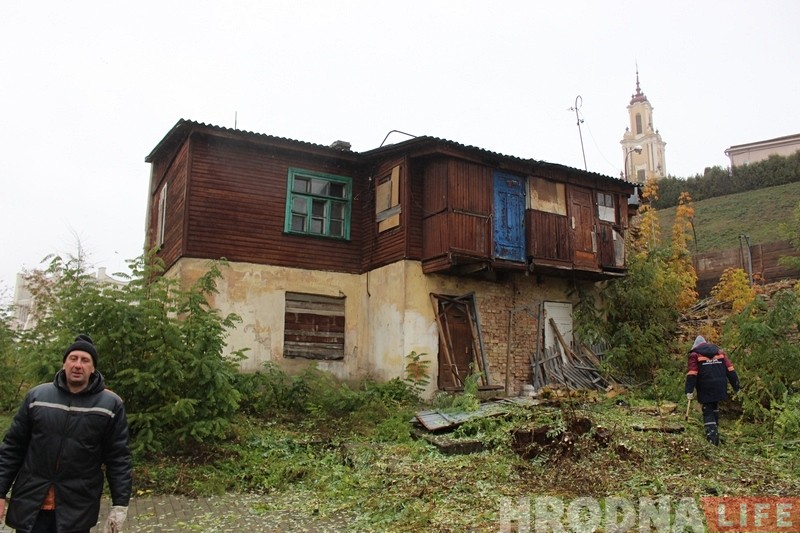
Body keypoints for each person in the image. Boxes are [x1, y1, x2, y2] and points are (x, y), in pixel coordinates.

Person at [0, 334, 132, 533]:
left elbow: (118, 458)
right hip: (32, 504)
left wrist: (119, 505)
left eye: (85, 360)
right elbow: (12, 449)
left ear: (93, 368)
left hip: (76, 509)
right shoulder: (37, 397)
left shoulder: (110, 405)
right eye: (73, 358)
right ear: (64, 363)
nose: (78, 365)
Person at [685, 335, 741, 445]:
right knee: (714, 406)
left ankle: (712, 439)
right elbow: (731, 370)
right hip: (720, 385)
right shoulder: (720, 353)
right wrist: (737, 387)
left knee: (707, 410)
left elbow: (692, 374)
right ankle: (715, 433)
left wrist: (689, 390)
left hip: (705, 386)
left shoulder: (695, 355)